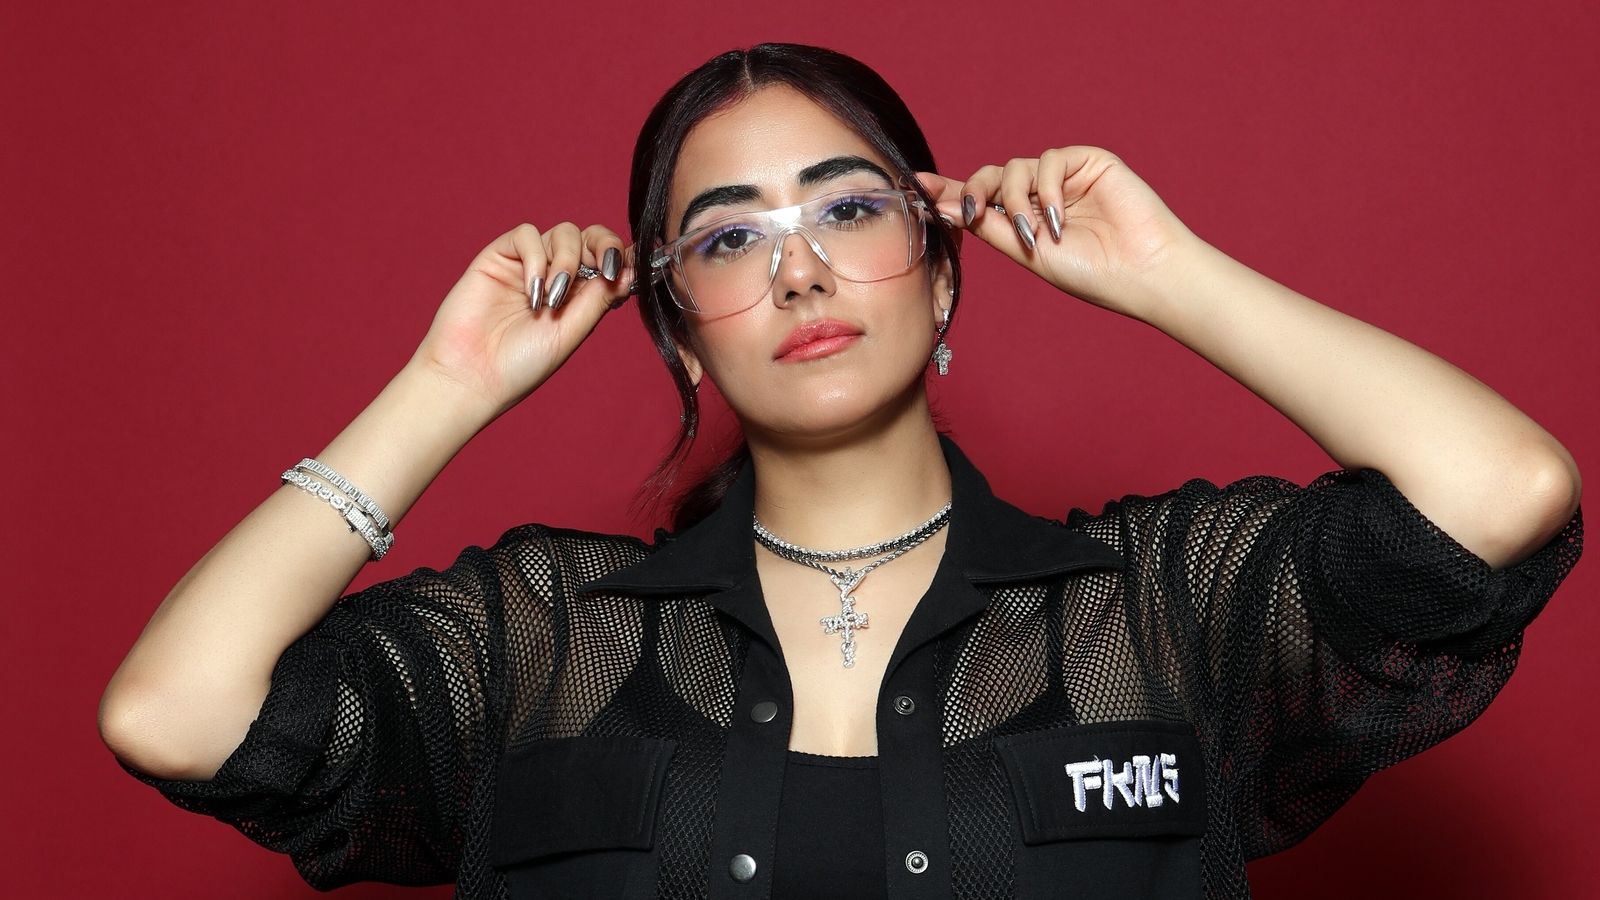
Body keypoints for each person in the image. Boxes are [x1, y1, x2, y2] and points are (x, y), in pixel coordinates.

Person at [98, 43, 1582, 900]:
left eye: (850, 211)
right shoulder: (545, 635)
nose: (799, 272)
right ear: (683, 333)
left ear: (945, 277)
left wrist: (1168, 274)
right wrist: (447, 387)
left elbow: (1501, 494)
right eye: (730, 238)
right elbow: (175, 713)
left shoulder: (1151, 608)